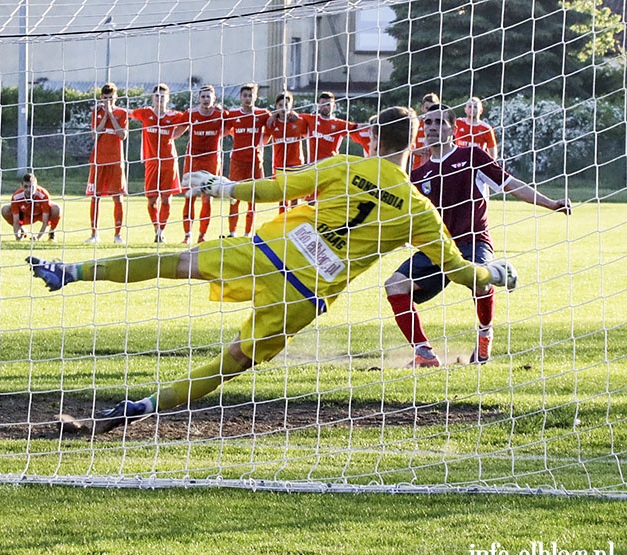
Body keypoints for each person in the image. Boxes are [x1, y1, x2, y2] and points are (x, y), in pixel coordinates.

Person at [27, 106, 519, 434]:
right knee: (235, 359)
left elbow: (275, 189)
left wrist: (221, 188)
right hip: (306, 294)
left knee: (174, 262)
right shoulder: (419, 209)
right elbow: (456, 269)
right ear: (417, 141)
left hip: (273, 250)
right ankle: (142, 409)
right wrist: (494, 274)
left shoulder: (346, 165)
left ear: (370, 136)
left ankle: (71, 271)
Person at [384, 104, 571, 367]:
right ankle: (424, 354)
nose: (433, 127)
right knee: (395, 285)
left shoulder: (472, 155)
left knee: (481, 281)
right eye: (428, 123)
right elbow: (409, 217)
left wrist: (550, 203)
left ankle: (485, 335)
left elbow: (512, 185)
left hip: (473, 241)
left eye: (440, 122)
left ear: (453, 128)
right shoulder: (418, 174)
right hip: (437, 248)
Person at [130, 83, 185, 243]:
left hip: (169, 162)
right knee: (152, 200)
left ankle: (161, 231)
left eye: (163, 96)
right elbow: (127, 113)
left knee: (167, 199)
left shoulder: (174, 115)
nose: (160, 99)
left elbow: (188, 121)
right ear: (152, 98)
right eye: (157, 96)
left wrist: (175, 134)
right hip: (152, 162)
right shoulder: (145, 113)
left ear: (168, 99)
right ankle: (156, 228)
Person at [176, 85, 225, 244]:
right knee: (189, 196)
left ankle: (202, 235)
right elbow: (176, 132)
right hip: (193, 159)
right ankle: (187, 235)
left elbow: (233, 127)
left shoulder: (221, 114)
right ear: (198, 99)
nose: (205, 99)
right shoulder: (191, 114)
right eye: (203, 96)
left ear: (214, 99)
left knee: (207, 197)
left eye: (208, 97)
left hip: (211, 160)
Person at [223, 83, 270, 237]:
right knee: (234, 197)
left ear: (255, 97)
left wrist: (259, 144)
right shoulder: (233, 114)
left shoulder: (263, 114)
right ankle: (232, 232)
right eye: (245, 96)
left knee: (252, 198)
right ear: (240, 97)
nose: (248, 98)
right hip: (237, 161)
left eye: (250, 95)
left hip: (255, 162)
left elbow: (269, 131)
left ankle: (248, 232)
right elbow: (226, 129)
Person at [86, 82, 129, 244]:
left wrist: (112, 114)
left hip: (116, 160)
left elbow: (122, 135)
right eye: (106, 98)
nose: (109, 101)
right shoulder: (96, 112)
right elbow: (95, 134)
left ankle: (118, 235)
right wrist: (105, 115)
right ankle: (94, 234)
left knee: (117, 197)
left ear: (116, 97)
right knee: (95, 197)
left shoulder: (122, 113)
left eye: (111, 98)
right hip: (99, 160)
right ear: (101, 98)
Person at [261, 91, 309, 213]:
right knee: (282, 197)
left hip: (296, 163)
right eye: (280, 105)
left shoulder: (299, 121)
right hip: (279, 164)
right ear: (276, 106)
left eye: (286, 105)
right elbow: (264, 140)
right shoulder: (272, 123)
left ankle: (293, 222)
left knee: (295, 197)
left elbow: (309, 135)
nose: (283, 108)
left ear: (291, 106)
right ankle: (282, 223)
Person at [299, 91, 370, 162]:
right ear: (318, 105)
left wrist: (374, 124)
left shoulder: (339, 124)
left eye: (328, 105)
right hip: (312, 165)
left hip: (331, 165)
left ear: (334, 106)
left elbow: (358, 126)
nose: (325, 107)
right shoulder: (309, 119)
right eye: (323, 104)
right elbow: (294, 117)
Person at [1, 173, 61, 241]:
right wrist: (17, 237)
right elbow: (16, 221)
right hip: (25, 216)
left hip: (40, 215)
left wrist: (38, 238)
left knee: (57, 209)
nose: (29, 190)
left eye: (31, 187)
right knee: (5, 209)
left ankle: (52, 232)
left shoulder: (43, 195)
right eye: (26, 186)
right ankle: (22, 231)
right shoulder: (16, 197)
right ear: (22, 186)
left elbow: (45, 221)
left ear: (36, 186)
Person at [411, 92, 439, 171]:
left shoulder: (442, 125)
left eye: (433, 108)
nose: (429, 111)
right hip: (417, 167)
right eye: (427, 108)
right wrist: (414, 151)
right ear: (422, 108)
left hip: (436, 165)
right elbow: (406, 146)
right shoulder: (416, 124)